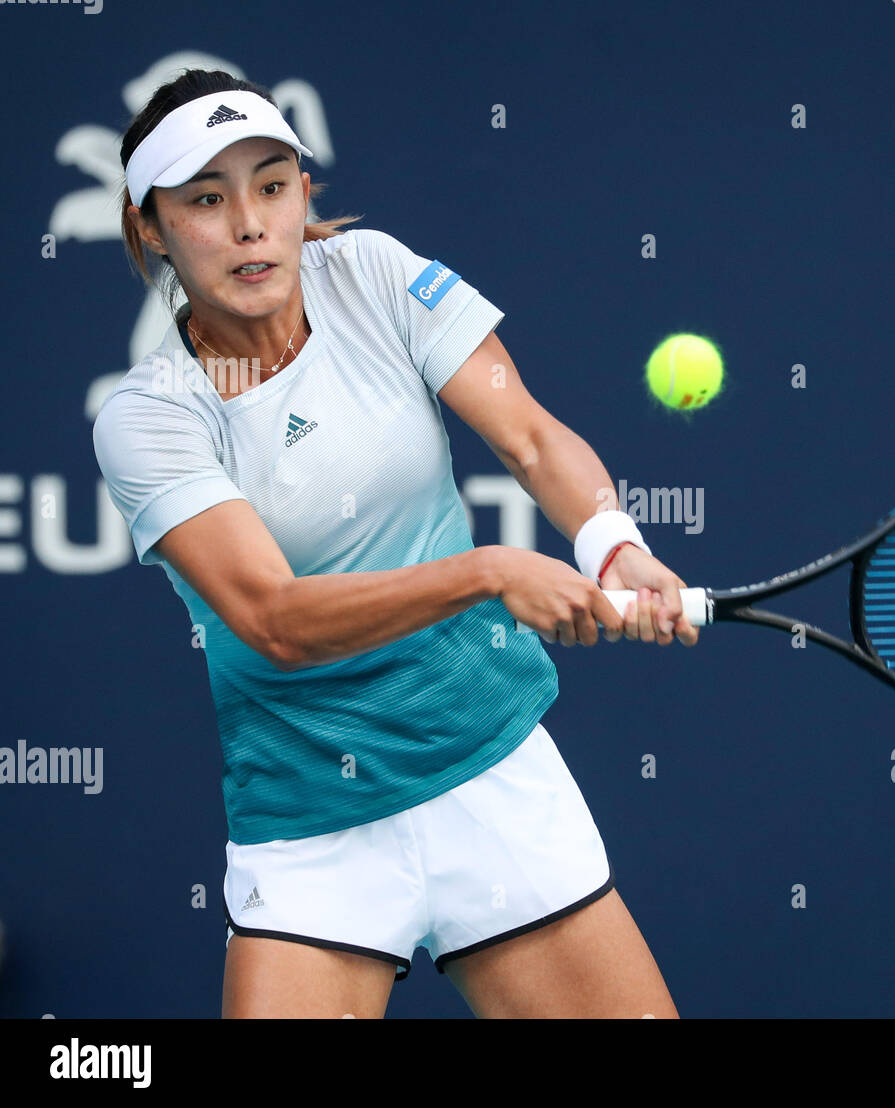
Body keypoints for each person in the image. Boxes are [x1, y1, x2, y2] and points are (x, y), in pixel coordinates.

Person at [93, 68, 697, 1019]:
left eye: (272, 183)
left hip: (488, 767)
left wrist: (611, 545)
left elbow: (531, 436)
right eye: (207, 199)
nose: (251, 222)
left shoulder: (374, 273)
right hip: (310, 824)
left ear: (302, 195)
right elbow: (275, 620)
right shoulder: (149, 415)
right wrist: (493, 571)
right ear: (151, 229)